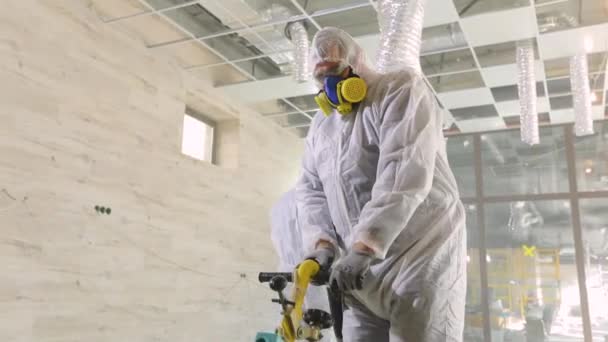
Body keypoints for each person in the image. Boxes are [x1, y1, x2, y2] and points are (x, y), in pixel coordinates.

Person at [296, 27, 467, 342]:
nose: (328, 85)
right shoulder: (321, 125)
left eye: (334, 71)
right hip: (359, 271)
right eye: (321, 77)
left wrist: (366, 244)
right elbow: (311, 191)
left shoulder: (399, 90)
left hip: (420, 257)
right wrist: (322, 245)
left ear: (357, 63)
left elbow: (403, 170)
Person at [269, 189, 335, 341]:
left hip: (294, 279)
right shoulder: (323, 194)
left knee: (291, 329)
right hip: (319, 278)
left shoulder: (281, 203)